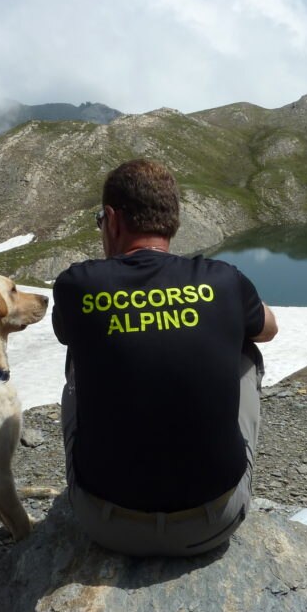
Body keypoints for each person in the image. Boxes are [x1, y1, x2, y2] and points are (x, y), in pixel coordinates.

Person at [52, 159, 278, 556]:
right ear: (171, 220)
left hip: (104, 526)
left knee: (77, 357)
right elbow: (269, 327)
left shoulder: (78, 285)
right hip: (215, 523)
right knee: (247, 350)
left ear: (111, 218)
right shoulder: (224, 279)